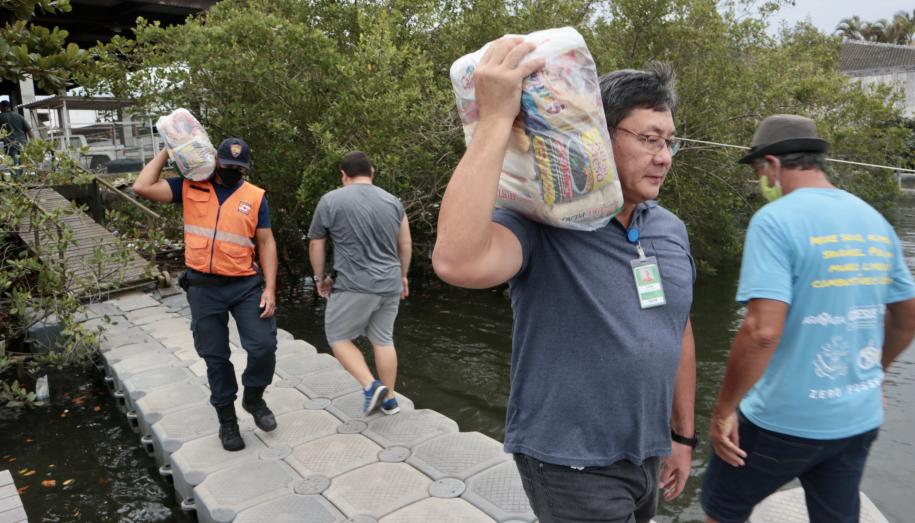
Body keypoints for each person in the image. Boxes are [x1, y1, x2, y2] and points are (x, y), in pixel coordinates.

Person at [432, 37, 697, 522]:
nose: (664, 157)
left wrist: (682, 436)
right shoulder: (544, 224)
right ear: (597, 133)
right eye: (649, 139)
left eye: (669, 141)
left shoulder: (669, 228)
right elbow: (457, 262)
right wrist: (494, 120)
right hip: (569, 462)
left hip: (646, 454)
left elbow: (676, 328)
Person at [701, 115, 915, 523]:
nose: (759, 181)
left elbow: (761, 332)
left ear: (772, 166)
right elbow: (908, 315)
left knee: (722, 510)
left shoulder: (774, 221)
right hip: (858, 418)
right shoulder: (873, 219)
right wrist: (874, 373)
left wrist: (723, 411)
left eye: (758, 171)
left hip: (783, 421)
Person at [133, 138, 279, 452]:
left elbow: (266, 243)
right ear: (216, 161)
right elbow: (143, 187)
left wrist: (270, 288)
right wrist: (168, 149)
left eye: (239, 169)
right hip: (203, 288)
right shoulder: (190, 186)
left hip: (245, 285)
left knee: (264, 345)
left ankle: (254, 398)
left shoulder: (254, 196)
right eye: (227, 166)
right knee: (215, 357)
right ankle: (227, 422)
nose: (232, 172)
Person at [308, 151, 412, 416]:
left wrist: (319, 278)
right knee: (383, 339)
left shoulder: (331, 200)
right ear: (372, 172)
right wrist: (403, 276)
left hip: (353, 283)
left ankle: (370, 385)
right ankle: (389, 400)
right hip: (389, 282)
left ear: (344, 175)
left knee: (338, 337)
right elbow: (405, 243)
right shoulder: (393, 201)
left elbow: (316, 243)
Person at [0, 100, 34, 167]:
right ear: (9, 107)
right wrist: (33, 145)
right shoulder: (19, 116)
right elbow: (29, 131)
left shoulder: (1, 117)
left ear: (2, 107)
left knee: (13, 167)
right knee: (25, 166)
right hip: (23, 146)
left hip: (10, 147)